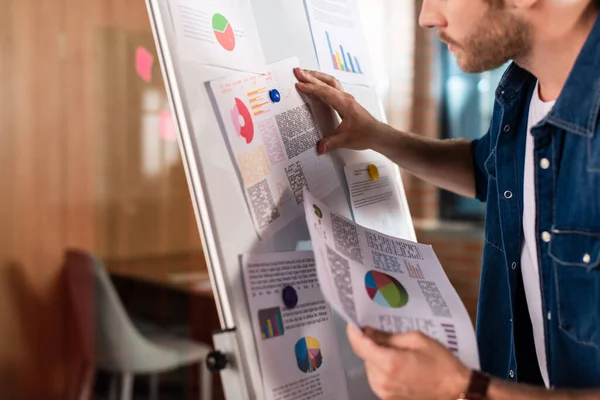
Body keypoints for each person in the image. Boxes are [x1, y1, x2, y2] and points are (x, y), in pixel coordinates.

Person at [294, 0, 600, 398]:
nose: (426, 17)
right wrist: (377, 135)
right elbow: (488, 171)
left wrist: (462, 388)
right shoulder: (522, 90)